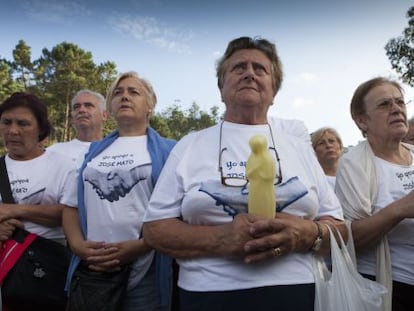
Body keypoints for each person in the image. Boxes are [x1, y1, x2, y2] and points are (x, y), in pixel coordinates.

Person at [142, 36, 345, 311]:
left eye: (260, 69)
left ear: (274, 92)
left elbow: (339, 228)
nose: (249, 73)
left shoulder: (300, 148)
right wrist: (221, 239)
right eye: (238, 68)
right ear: (221, 87)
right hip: (209, 295)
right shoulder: (190, 145)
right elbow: (154, 230)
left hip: (297, 292)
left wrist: (307, 233)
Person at [62, 71, 175, 311]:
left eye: (134, 92)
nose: (124, 96)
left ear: (150, 105)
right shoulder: (92, 152)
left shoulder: (169, 151)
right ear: (110, 107)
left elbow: (179, 211)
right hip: (93, 271)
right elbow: (71, 206)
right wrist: (78, 246)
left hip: (146, 270)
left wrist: (144, 244)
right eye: (117, 93)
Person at [335, 77, 414, 311]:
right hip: (387, 288)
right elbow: (350, 239)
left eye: (400, 102)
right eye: (384, 104)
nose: (396, 109)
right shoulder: (353, 164)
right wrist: (401, 209)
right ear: (362, 120)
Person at [0, 92, 76, 310]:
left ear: (41, 129)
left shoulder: (64, 166)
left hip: (45, 273)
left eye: (23, 123)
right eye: (6, 122)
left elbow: (68, 214)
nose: (13, 130)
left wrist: (11, 210)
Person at [48, 89, 108, 163]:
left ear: (104, 115)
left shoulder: (117, 151)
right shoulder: (54, 152)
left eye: (88, 105)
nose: (81, 110)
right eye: (76, 107)